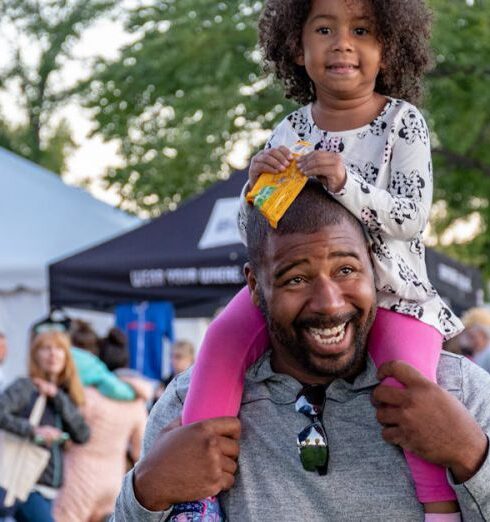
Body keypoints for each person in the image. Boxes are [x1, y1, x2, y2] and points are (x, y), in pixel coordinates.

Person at [181, 0, 464, 518]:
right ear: (296, 47)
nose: (342, 43)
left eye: (362, 30)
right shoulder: (290, 129)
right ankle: (194, 499)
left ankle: (440, 507)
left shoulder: (403, 123)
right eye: (324, 29)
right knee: (221, 338)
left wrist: (346, 184)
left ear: (388, 48)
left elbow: (410, 217)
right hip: (300, 287)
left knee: (408, 387)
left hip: (393, 293)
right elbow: (266, 230)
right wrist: (255, 188)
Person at [113, 181, 490, 521]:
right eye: (296, 278)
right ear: (255, 286)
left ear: (375, 268)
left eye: (345, 270)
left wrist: (473, 458)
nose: (328, 303)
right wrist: (146, 492)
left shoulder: (458, 391)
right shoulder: (188, 406)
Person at [54, 327, 149, 522]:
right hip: (114, 480)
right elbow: (142, 450)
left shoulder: (86, 396)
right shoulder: (137, 401)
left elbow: (69, 436)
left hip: (77, 478)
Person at [0, 331, 90, 522]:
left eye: (59, 349)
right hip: (25, 481)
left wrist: (56, 396)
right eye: (46, 348)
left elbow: (82, 434)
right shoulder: (25, 386)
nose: (53, 354)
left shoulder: (66, 394)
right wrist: (34, 431)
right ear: (35, 355)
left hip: (50, 487)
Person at [460, 308, 490, 373]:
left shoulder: (488, 354)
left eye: (472, 336)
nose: (469, 340)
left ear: (483, 334)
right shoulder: (475, 352)